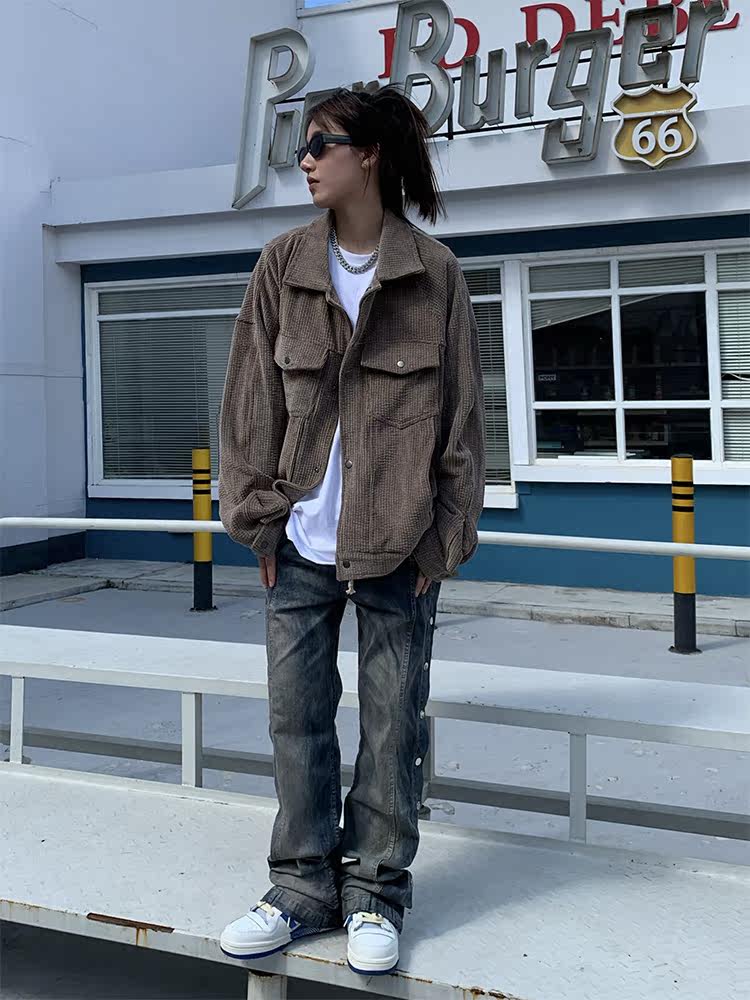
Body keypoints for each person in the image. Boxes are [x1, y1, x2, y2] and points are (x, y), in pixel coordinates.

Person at [217, 85, 485, 977]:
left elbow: (463, 425)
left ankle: (375, 892)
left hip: (399, 548)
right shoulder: (283, 265)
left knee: (392, 727)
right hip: (299, 544)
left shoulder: (433, 273)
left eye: (319, 143)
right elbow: (248, 407)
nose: (304, 160)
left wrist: (442, 543)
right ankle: (300, 888)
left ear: (368, 154)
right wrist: (258, 523)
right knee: (296, 721)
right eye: (303, 146)